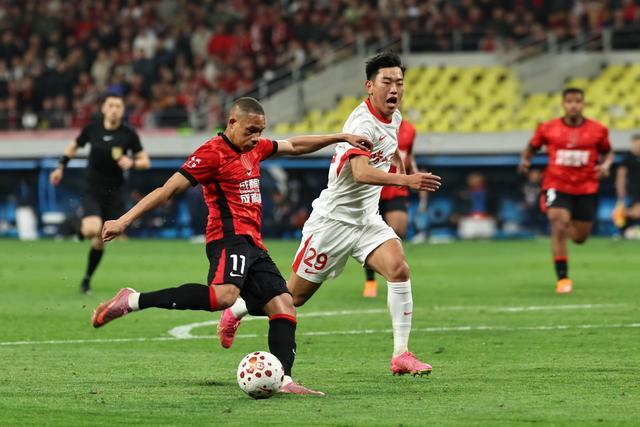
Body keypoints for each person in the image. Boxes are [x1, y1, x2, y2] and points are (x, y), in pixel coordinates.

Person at [91, 97, 372, 396]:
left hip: (253, 243)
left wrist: (340, 137)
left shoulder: (256, 147)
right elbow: (167, 190)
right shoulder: (211, 153)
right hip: (227, 238)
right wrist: (123, 220)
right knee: (223, 296)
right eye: (251, 130)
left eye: (261, 131)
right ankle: (133, 300)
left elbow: (294, 145)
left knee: (284, 305)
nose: (257, 137)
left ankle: (285, 380)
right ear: (232, 122)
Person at [220, 52, 442, 377]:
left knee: (399, 269)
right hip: (333, 223)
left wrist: (397, 160)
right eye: (387, 82)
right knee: (292, 297)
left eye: (399, 82)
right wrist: (406, 180)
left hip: (366, 219)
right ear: (369, 86)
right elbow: (361, 172)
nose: (395, 88)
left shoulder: (393, 117)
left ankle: (401, 355)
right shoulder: (361, 123)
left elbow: (387, 144)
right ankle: (237, 310)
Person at [49, 94, 151, 294]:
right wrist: (60, 167)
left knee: (100, 239)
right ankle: (77, 229)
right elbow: (73, 145)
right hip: (92, 189)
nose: (114, 109)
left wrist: (132, 162)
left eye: (118, 106)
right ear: (103, 108)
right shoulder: (92, 129)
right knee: (93, 228)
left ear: (123, 110)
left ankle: (86, 280)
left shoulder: (128, 134)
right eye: (111, 105)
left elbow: (145, 161)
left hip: (114, 193)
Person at [518, 87, 613, 294]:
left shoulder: (598, 130)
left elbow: (608, 153)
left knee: (580, 237)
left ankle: (567, 220)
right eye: (569, 101)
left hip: (586, 187)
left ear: (583, 104)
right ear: (563, 104)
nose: (573, 105)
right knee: (558, 225)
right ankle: (563, 279)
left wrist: (605, 166)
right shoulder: (548, 128)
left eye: (577, 101)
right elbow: (531, 148)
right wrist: (525, 160)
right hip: (557, 184)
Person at [363, 118, 418, 298]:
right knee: (369, 235)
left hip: (397, 187)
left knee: (398, 231)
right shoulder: (370, 124)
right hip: (373, 187)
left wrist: (413, 172)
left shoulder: (410, 129)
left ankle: (393, 274)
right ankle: (370, 281)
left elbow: (408, 155)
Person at [614, 134, 640, 238]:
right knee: (622, 212)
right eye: (636, 143)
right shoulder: (627, 159)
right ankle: (624, 231)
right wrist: (620, 194)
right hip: (631, 191)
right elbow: (621, 176)